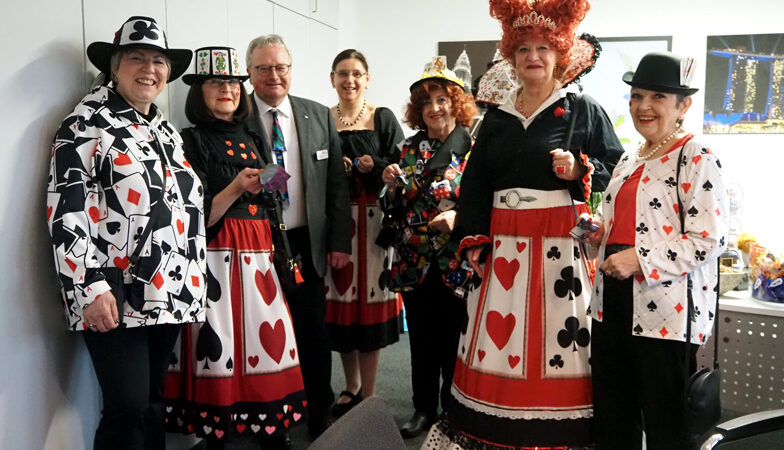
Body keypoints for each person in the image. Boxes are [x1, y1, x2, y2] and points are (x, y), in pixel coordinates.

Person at [424, 0, 625, 448]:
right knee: (502, 337)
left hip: (559, 249)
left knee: (559, 343)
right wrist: (473, 240)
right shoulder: (495, 118)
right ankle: (495, 427)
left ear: (560, 54)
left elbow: (618, 170)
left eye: (543, 48)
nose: (533, 57)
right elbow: (475, 183)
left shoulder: (583, 110)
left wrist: (579, 170)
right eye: (524, 49)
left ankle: (559, 431)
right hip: (503, 250)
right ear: (511, 56)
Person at [45, 16, 205, 449]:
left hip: (168, 289)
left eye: (158, 60)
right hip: (113, 290)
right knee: (128, 406)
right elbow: (67, 212)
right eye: (136, 57)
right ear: (114, 65)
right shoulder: (84, 125)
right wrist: (88, 288)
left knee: (152, 403)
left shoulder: (165, 130)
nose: (148, 68)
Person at [162, 46, 306, 449]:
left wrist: (271, 179)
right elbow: (195, 215)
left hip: (261, 253)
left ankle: (271, 432)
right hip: (218, 257)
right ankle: (218, 434)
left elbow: (279, 190)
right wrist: (237, 187)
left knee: (265, 341)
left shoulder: (253, 134)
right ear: (199, 91)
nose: (227, 90)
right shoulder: (188, 140)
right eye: (216, 82)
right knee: (221, 341)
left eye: (233, 83)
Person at [585, 51, 729, 450]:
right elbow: (625, 222)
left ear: (683, 105)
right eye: (637, 95)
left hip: (665, 310)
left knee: (666, 420)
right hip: (611, 300)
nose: (643, 106)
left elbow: (710, 238)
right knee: (613, 414)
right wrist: (598, 232)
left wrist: (641, 260)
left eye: (658, 97)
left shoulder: (696, 157)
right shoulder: (629, 159)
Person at [244, 34, 352, 439]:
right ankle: (272, 418)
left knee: (312, 331)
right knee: (265, 332)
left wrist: (340, 242)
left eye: (281, 67)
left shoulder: (317, 115)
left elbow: (336, 187)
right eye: (264, 68)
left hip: (307, 242)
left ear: (291, 69)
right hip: (258, 245)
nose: (274, 76)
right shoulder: (239, 117)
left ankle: (318, 410)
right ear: (250, 72)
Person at [381, 57, 477, 439]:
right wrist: (390, 185)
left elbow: (486, 202)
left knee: (454, 339)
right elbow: (394, 204)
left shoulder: (473, 147)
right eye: (427, 102)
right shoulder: (408, 148)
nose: (435, 108)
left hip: (456, 258)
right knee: (420, 340)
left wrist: (460, 218)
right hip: (413, 257)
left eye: (442, 99)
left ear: (456, 102)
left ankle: (451, 409)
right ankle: (423, 408)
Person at [324, 49, 404, 418]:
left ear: (367, 78)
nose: (349, 80)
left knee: (368, 308)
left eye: (356, 73)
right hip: (338, 223)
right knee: (341, 305)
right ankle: (350, 385)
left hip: (374, 225)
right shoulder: (325, 119)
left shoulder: (381, 117)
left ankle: (369, 393)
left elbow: (404, 166)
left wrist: (378, 165)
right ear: (332, 78)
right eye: (343, 73)